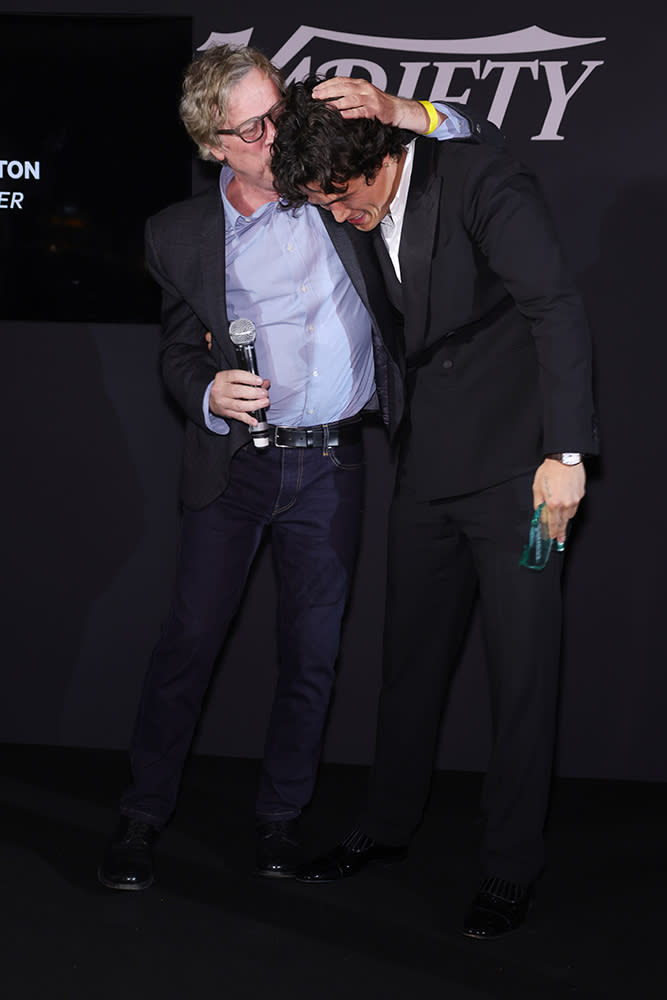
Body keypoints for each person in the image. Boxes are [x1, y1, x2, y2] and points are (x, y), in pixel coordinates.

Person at [97, 44, 496, 891]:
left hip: (332, 467)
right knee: (187, 646)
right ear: (213, 146)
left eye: (277, 111)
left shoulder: (333, 183)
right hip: (234, 467)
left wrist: (399, 111)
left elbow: (475, 140)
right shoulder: (177, 235)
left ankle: (281, 818)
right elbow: (174, 350)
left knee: (312, 657)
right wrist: (206, 389)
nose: (276, 135)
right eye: (253, 128)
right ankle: (141, 816)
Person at [270, 78, 598, 938]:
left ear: (383, 159)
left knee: (522, 673)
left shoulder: (482, 182)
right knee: (408, 663)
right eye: (321, 205)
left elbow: (554, 307)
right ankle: (384, 824)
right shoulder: (343, 195)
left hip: (521, 477)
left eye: (343, 199)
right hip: (424, 463)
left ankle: (509, 865)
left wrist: (565, 455)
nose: (339, 218)